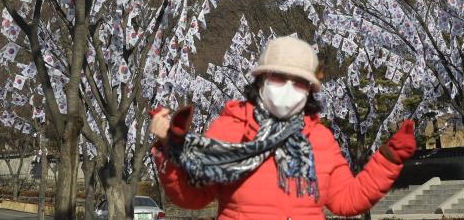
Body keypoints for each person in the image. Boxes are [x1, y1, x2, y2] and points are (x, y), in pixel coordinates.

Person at [150, 36, 416, 219]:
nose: (288, 88)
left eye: (299, 82)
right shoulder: (231, 128)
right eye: (278, 77)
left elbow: (347, 200)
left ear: (310, 91)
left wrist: (389, 159)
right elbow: (192, 197)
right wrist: (169, 149)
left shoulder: (320, 138)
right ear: (261, 80)